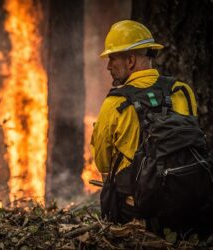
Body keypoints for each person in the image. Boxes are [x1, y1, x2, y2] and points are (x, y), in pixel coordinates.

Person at [90, 20, 211, 232]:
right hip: (190, 203)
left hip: (139, 212)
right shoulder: (181, 90)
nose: (108, 66)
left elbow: (103, 164)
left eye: (112, 58)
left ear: (130, 60)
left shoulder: (115, 104)